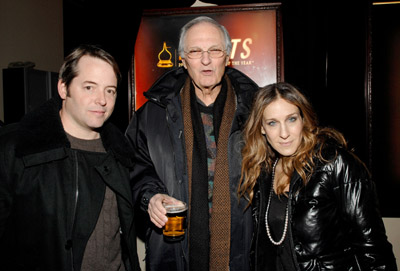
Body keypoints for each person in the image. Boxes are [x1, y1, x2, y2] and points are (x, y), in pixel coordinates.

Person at [126, 16, 259, 271]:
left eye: (215, 50)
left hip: (243, 255)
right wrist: (150, 197)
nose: (206, 60)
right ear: (183, 60)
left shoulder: (257, 112)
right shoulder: (152, 115)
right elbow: (133, 169)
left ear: (227, 56)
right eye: (195, 52)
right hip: (173, 253)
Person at [0, 44, 141, 271]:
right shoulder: (17, 148)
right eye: (89, 87)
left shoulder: (121, 154)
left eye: (110, 90)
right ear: (63, 88)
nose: (102, 100)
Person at [238, 82, 397, 270]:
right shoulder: (263, 172)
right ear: (262, 128)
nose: (284, 133)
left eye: (291, 119)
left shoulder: (336, 164)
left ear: (303, 119)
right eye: (272, 123)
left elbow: (373, 247)